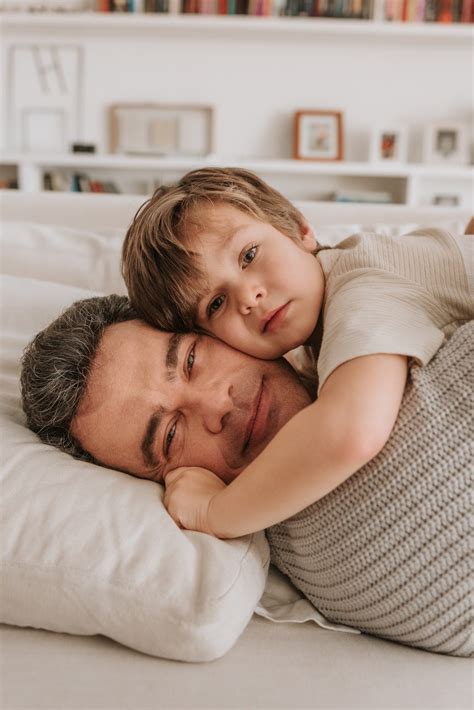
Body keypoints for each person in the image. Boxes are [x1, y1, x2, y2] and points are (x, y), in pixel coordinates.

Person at [121, 167, 473, 537]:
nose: (248, 296)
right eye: (216, 304)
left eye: (248, 255)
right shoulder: (310, 349)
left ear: (299, 229)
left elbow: (351, 431)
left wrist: (214, 512)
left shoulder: (362, 286)